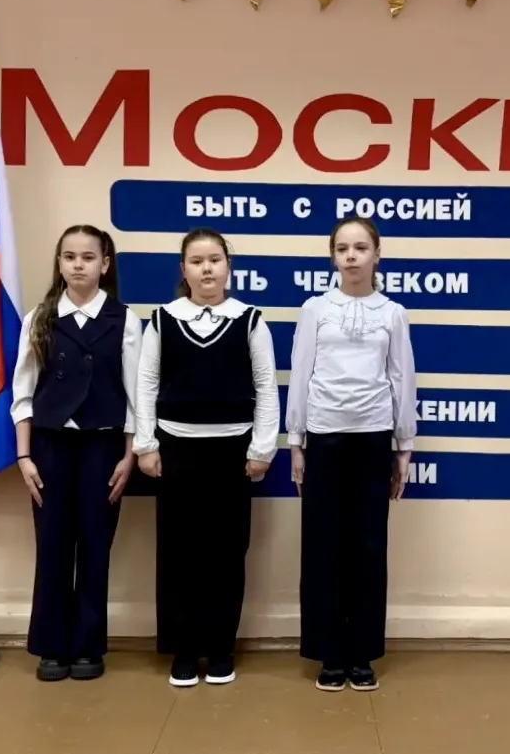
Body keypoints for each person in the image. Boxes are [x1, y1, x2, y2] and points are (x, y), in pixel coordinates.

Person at [134, 227, 279, 687]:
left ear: (228, 267)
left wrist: (262, 447)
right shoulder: (163, 320)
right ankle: (183, 649)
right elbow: (146, 384)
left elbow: (266, 387)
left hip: (232, 453)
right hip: (177, 450)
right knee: (180, 552)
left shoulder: (250, 320)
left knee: (226, 552)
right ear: (184, 270)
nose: (207, 269)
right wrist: (146, 444)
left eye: (215, 260)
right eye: (197, 262)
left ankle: (220, 648)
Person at [286, 217, 418, 693]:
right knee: (323, 546)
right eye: (342, 248)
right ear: (333, 256)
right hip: (324, 435)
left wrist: (403, 446)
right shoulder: (316, 309)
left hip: (372, 435)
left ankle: (361, 654)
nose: (351, 256)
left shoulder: (392, 313)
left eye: (361, 247)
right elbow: (301, 372)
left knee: (368, 546)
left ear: (376, 256)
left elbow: (402, 376)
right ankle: (329, 653)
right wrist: (296, 442)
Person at [10, 224, 141, 682]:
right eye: (70, 257)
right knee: (52, 545)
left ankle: (87, 645)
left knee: (95, 545)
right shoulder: (40, 318)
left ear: (105, 264)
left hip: (103, 446)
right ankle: (51, 645)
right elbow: (23, 393)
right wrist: (24, 457)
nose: (78, 265)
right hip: (50, 446)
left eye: (88, 257)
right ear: (60, 263)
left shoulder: (125, 320)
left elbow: (136, 397)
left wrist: (129, 455)